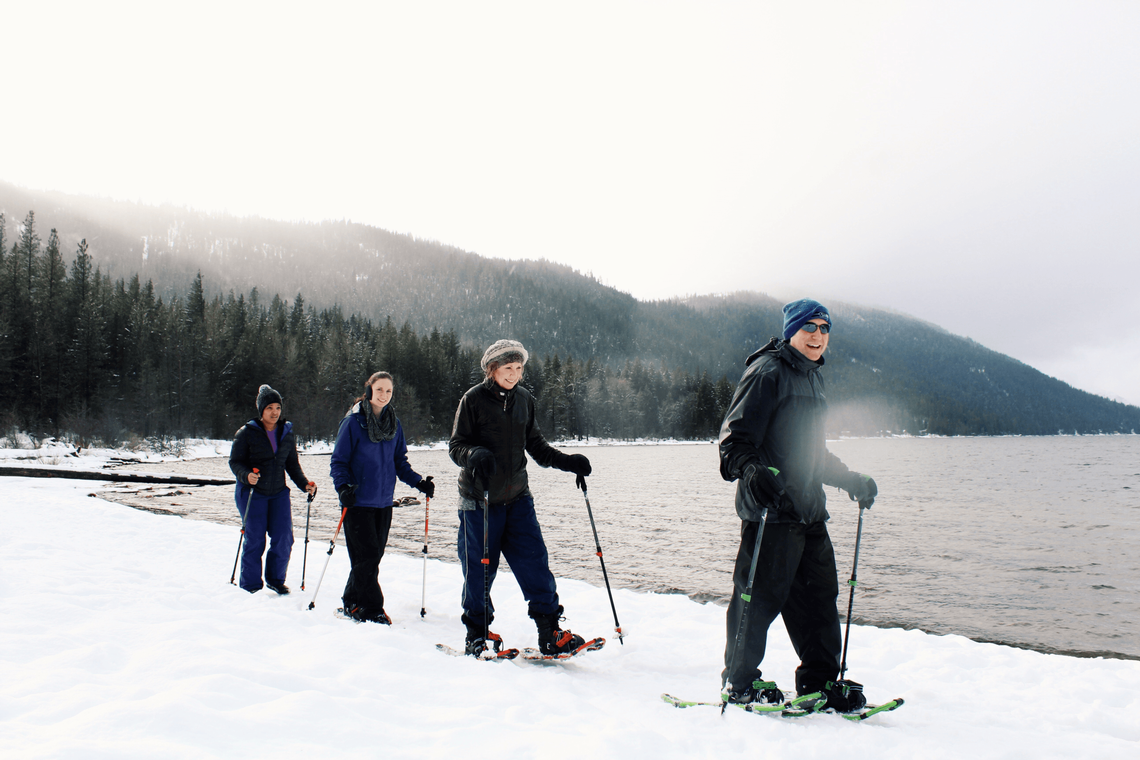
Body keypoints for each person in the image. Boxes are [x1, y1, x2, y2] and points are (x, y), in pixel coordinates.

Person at [717, 299, 879, 712]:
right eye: (810, 327)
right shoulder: (767, 372)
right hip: (772, 513)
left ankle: (821, 682)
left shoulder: (811, 378)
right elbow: (735, 442)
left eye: (825, 329)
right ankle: (739, 683)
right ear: (792, 330)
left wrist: (850, 479)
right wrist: (753, 474)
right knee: (756, 603)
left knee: (820, 604)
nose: (818, 336)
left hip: (809, 512)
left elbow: (814, 454)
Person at [449, 339, 593, 657]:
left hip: (517, 498)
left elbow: (537, 446)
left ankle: (549, 632)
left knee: (535, 564)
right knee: (479, 571)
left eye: (519, 368)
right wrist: (474, 454)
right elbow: (456, 446)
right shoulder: (472, 400)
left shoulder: (525, 399)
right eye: (508, 368)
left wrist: (568, 462)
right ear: (492, 369)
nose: (514, 375)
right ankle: (477, 633)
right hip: (479, 500)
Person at [330, 371, 434, 624]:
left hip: (383, 502)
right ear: (369, 391)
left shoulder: (394, 424)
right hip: (357, 502)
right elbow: (339, 461)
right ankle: (371, 608)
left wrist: (419, 482)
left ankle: (351, 601)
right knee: (365, 557)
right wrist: (343, 488)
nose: (384, 395)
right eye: (379, 390)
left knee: (372, 557)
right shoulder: (353, 423)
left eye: (389, 391)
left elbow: (399, 462)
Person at [229, 384, 317, 594]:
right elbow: (235, 462)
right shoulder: (246, 433)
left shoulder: (286, 433)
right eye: (269, 408)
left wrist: (305, 484)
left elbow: (292, 465)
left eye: (277, 407)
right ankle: (250, 586)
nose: (275, 412)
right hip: (252, 493)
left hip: (278, 493)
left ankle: (275, 579)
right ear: (261, 410)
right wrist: (247, 475)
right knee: (256, 539)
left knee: (284, 537)